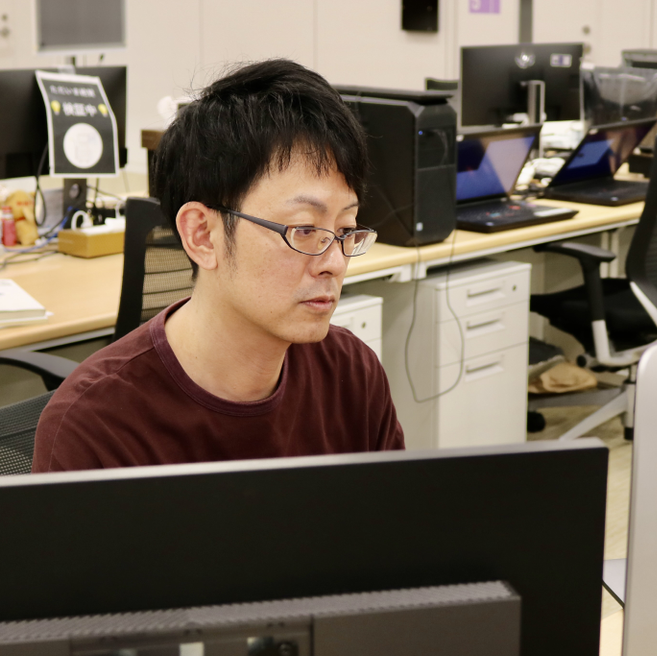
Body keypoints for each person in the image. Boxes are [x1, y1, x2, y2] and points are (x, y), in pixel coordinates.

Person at [32, 59, 405, 471]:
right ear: (202, 235)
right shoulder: (94, 427)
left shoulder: (352, 374)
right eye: (303, 230)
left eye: (345, 229)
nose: (333, 262)